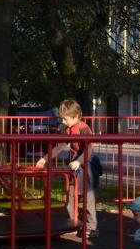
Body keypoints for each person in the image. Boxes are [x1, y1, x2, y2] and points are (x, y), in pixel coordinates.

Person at [36, 99, 98, 240]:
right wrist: (45, 159)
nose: (63, 122)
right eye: (62, 119)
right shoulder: (66, 128)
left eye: (66, 119)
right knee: (71, 192)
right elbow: (59, 146)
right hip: (75, 159)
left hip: (86, 160)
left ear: (76, 117)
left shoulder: (83, 128)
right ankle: (73, 223)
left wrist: (79, 161)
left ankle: (92, 226)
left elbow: (88, 148)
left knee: (87, 195)